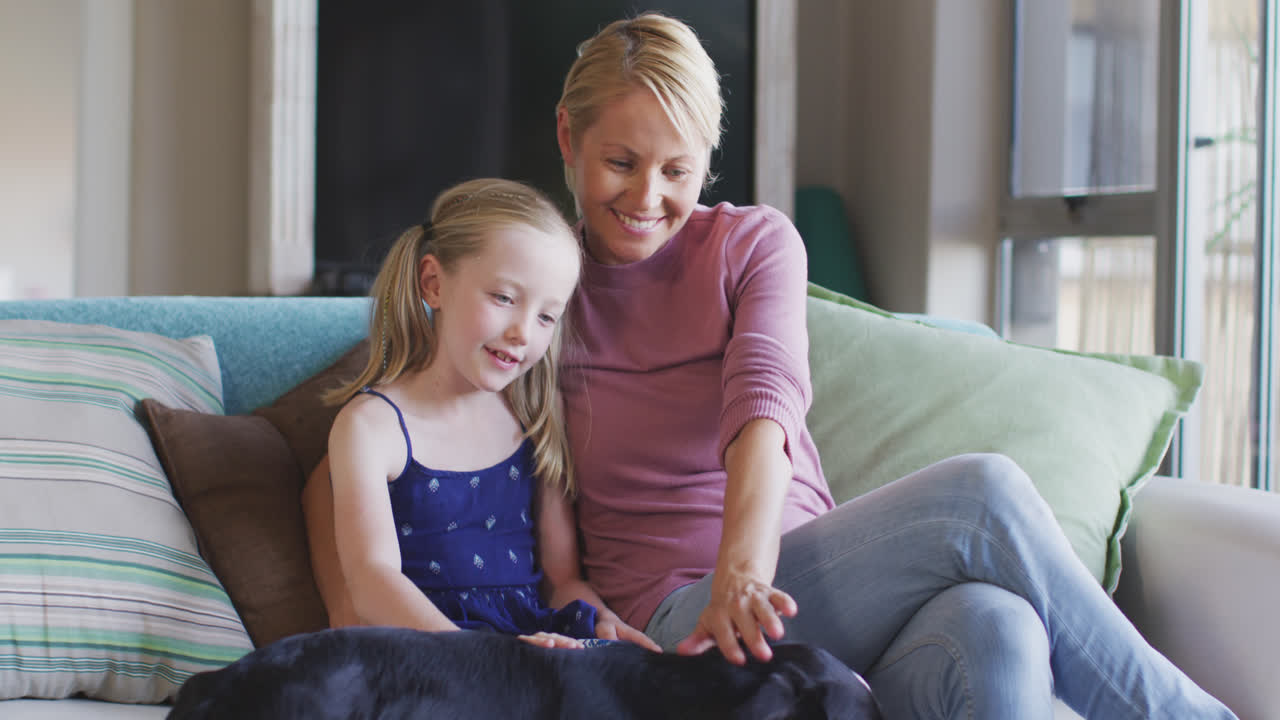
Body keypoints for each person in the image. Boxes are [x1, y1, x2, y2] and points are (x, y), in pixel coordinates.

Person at [306, 14, 1237, 720]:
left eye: (677, 169)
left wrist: (746, 570)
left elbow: (764, 409)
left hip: (796, 590)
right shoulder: (541, 290)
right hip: (679, 620)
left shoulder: (755, 245)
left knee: (999, 627)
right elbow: (407, 402)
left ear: (709, 160)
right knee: (981, 495)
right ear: (566, 138)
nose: (647, 197)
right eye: (621, 162)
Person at [310, 177, 655, 651]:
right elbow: (372, 580)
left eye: (546, 317)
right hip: (430, 651)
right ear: (433, 284)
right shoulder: (370, 427)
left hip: (533, 644)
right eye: (504, 298)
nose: (522, 333)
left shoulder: (534, 412)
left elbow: (561, 580)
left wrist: (603, 622)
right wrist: (479, 658)